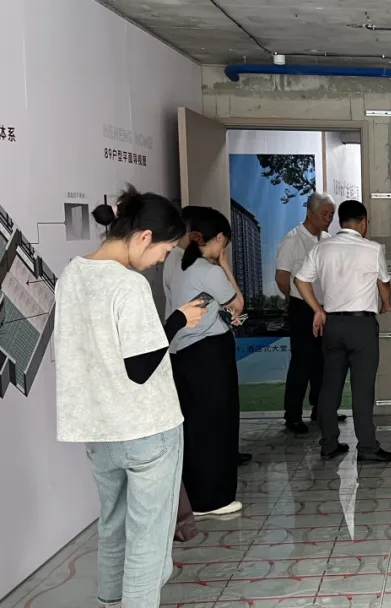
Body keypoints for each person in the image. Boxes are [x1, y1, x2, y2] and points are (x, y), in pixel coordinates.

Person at [55, 187, 206, 608]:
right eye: (163, 251)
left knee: (113, 529)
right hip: (147, 428)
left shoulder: (71, 274)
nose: (160, 260)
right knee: (148, 541)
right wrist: (178, 320)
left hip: (98, 429)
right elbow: (139, 368)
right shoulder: (129, 285)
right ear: (143, 237)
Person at [295, 200, 391, 462]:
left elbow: (300, 280)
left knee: (329, 387)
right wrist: (387, 304)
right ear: (363, 221)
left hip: (332, 324)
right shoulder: (372, 249)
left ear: (339, 221)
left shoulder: (322, 248)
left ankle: (329, 444)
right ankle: (367, 448)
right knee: (362, 389)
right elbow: (384, 282)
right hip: (362, 326)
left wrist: (317, 309)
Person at [166, 208, 245, 516]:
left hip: (183, 354)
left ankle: (196, 497)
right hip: (210, 354)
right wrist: (224, 264)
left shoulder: (175, 265)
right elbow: (237, 305)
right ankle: (214, 499)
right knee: (218, 425)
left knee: (195, 427)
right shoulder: (209, 271)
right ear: (219, 238)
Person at [276, 192, 343, 434]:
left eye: (331, 215)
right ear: (309, 212)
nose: (328, 219)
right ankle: (292, 415)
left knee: (324, 361)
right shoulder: (293, 239)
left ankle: (320, 408)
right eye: (324, 214)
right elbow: (282, 278)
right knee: (302, 362)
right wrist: (297, 299)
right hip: (302, 307)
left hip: (326, 307)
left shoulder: (328, 240)